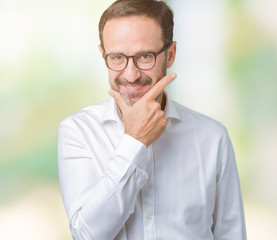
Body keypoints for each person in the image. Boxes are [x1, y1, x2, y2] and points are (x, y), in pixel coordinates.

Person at [57, 0, 247, 239]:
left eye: (145, 56)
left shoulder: (212, 137)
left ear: (170, 55)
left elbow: (231, 234)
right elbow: (87, 235)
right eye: (117, 58)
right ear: (103, 55)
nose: (130, 74)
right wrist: (135, 141)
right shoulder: (77, 131)